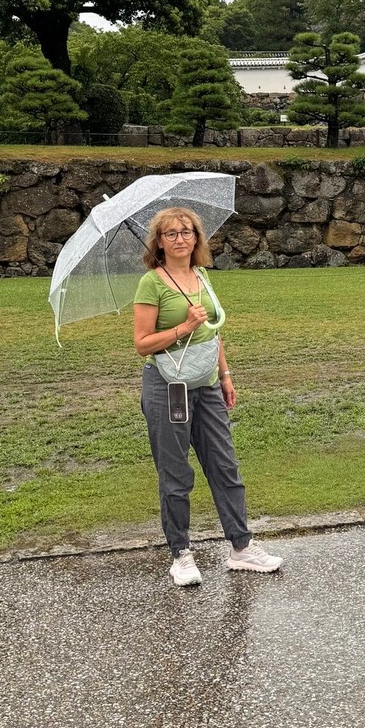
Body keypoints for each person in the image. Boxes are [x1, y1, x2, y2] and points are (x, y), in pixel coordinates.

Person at [133, 206, 282, 585]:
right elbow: (142, 343)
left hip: (208, 383)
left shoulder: (201, 276)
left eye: (187, 232)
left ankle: (241, 546)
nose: (181, 239)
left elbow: (213, 332)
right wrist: (184, 326)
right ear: (159, 242)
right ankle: (181, 554)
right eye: (172, 233)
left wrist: (226, 374)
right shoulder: (152, 283)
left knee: (225, 466)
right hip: (168, 387)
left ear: (197, 238)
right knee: (176, 473)